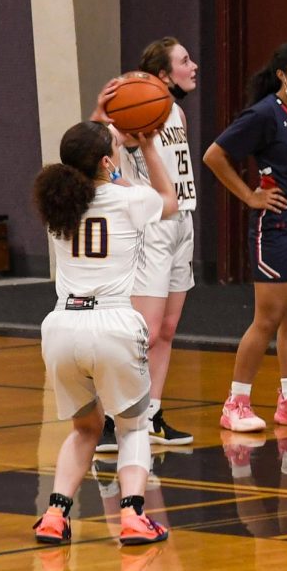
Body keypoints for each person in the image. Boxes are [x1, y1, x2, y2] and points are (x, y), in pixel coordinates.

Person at [32, 120, 178, 546]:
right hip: (112, 323)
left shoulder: (57, 203)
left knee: (84, 429)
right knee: (133, 427)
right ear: (106, 160)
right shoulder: (128, 199)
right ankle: (133, 516)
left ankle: (55, 515)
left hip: (62, 326)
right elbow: (169, 199)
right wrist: (149, 148)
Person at [203, 41, 287, 432]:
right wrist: (250, 196)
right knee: (268, 317)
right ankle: (236, 402)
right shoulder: (263, 115)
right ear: (282, 75)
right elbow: (214, 155)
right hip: (277, 222)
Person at [91, 37, 198, 451]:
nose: (193, 67)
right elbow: (98, 144)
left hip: (182, 220)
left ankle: (151, 413)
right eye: (184, 61)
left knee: (168, 330)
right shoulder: (139, 112)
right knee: (144, 332)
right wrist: (101, 115)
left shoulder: (177, 112)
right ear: (162, 76)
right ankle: (110, 417)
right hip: (152, 225)